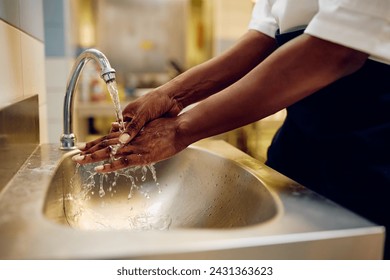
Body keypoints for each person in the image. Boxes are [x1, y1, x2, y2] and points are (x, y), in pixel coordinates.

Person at [73, 0, 390, 259]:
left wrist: (181, 129)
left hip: (373, 145)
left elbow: (336, 51)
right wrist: (167, 95)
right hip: (299, 145)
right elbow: (262, 41)